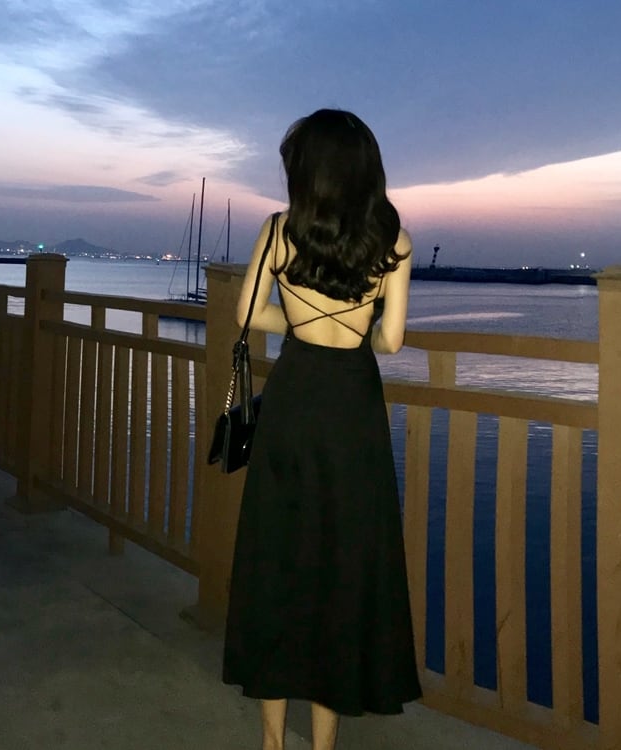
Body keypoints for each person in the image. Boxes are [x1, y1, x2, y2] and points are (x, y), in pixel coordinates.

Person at [222, 108, 421, 750]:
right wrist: (352, 330)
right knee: (342, 566)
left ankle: (272, 743)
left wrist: (300, 323)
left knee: (277, 563)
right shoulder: (393, 241)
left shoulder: (279, 231)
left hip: (294, 401)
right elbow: (392, 340)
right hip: (353, 410)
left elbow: (247, 313)